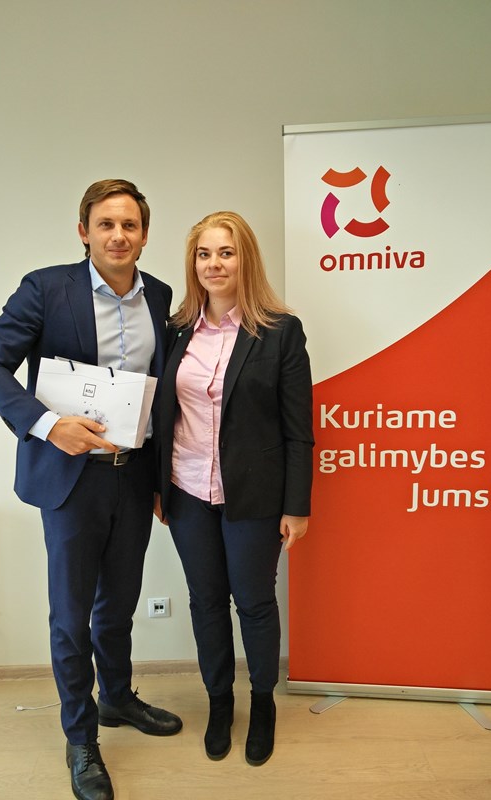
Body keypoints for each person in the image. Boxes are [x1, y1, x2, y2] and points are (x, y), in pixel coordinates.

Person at [0, 179, 182, 800]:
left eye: (130, 225)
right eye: (105, 224)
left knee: (119, 603)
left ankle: (116, 698)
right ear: (84, 231)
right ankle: (81, 737)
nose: (118, 235)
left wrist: (162, 479)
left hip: (133, 474)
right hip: (70, 478)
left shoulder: (160, 295)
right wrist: (46, 423)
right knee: (71, 614)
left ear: (145, 234)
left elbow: (159, 392)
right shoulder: (45, 288)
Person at [156, 211, 314, 766]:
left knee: (254, 602)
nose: (214, 264)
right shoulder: (176, 330)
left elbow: (298, 429)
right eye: (204, 254)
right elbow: (161, 413)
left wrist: (297, 506)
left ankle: (263, 703)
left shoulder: (280, 330)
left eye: (226, 252)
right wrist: (157, 487)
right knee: (205, 602)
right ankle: (219, 703)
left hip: (255, 495)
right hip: (187, 490)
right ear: (193, 263)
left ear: (245, 259)